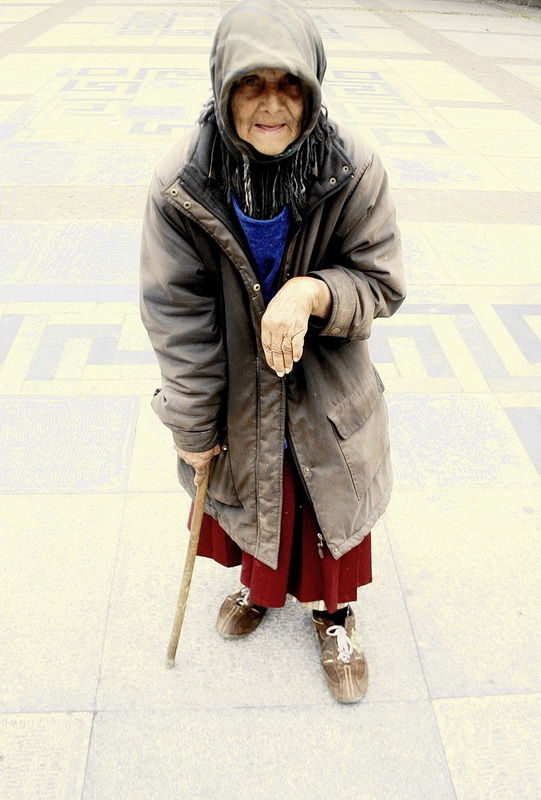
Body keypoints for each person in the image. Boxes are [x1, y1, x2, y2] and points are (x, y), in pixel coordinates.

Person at [139, 0, 405, 704]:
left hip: (326, 386)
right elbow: (177, 314)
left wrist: (313, 292)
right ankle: (260, 589)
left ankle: (334, 616)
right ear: (222, 86)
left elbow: (380, 282)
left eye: (289, 84)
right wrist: (192, 425)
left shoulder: (352, 167)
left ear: (313, 90)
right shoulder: (182, 183)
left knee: (324, 501)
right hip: (239, 390)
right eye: (250, 84)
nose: (271, 104)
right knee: (256, 490)